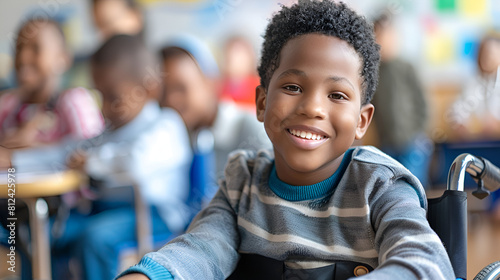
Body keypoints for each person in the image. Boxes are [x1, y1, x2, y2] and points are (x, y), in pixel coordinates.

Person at [117, 1, 454, 279]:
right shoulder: (242, 184)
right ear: (262, 103)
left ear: (361, 121)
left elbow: (424, 262)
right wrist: (151, 274)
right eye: (293, 87)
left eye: (337, 94)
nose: (312, 108)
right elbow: (204, 247)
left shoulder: (381, 186)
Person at [2, 34, 192, 280]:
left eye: (113, 98)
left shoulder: (166, 125)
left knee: (95, 239)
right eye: (100, 96)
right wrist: (13, 160)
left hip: (155, 216)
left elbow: (135, 163)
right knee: (40, 235)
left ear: (149, 88)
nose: (103, 109)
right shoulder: (108, 132)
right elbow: (66, 152)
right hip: (104, 211)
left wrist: (90, 162)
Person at [159, 36, 271, 195]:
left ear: (210, 82)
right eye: (162, 93)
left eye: (180, 88)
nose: (170, 100)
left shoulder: (252, 131)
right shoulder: (175, 141)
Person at [0, 18, 105, 148]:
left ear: (62, 59)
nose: (23, 58)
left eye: (35, 49)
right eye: (19, 48)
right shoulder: (7, 106)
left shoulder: (74, 101)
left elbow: (93, 152)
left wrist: (30, 151)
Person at [371, 10, 433, 187]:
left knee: (415, 186)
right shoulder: (374, 72)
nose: (383, 41)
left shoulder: (407, 67)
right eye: (378, 36)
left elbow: (423, 104)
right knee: (391, 188)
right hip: (386, 142)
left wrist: (419, 133)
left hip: (413, 142)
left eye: (387, 36)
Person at [219, 35, 261, 113]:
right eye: (230, 53)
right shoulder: (219, 88)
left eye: (238, 53)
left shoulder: (260, 86)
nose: (233, 58)